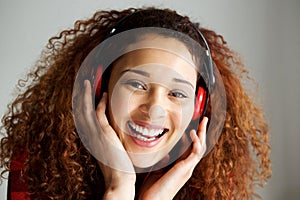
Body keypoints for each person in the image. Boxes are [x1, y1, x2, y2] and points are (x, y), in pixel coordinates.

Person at [0, 7, 271, 199]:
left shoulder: (211, 178)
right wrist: (119, 189)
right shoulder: (38, 162)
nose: (154, 109)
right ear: (100, 85)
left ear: (198, 107)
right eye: (137, 84)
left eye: (177, 93)